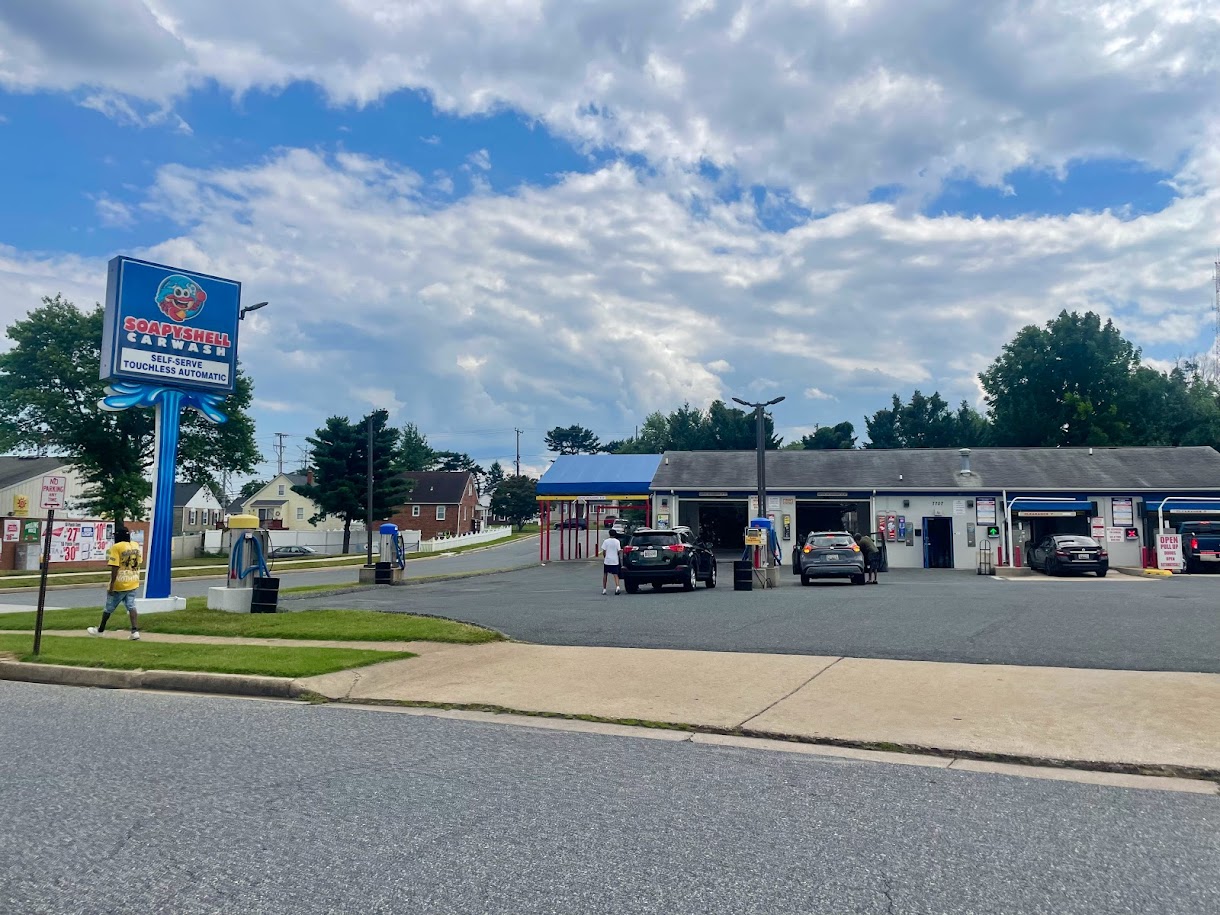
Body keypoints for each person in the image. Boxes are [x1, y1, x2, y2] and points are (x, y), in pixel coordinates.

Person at [87, 527, 143, 639]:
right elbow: (139, 561)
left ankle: (100, 630)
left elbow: (115, 566)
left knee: (109, 608)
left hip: (120, 582)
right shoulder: (136, 545)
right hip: (133, 580)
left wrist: (112, 584)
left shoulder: (116, 547)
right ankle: (135, 631)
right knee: (131, 606)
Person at [601, 529, 622, 595]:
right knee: (615, 575)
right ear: (615, 534)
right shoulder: (617, 541)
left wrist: (605, 557)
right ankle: (617, 587)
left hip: (607, 560)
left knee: (605, 574)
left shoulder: (606, 541)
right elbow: (619, 551)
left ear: (609, 534)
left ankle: (604, 589)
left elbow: (604, 551)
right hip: (615, 560)